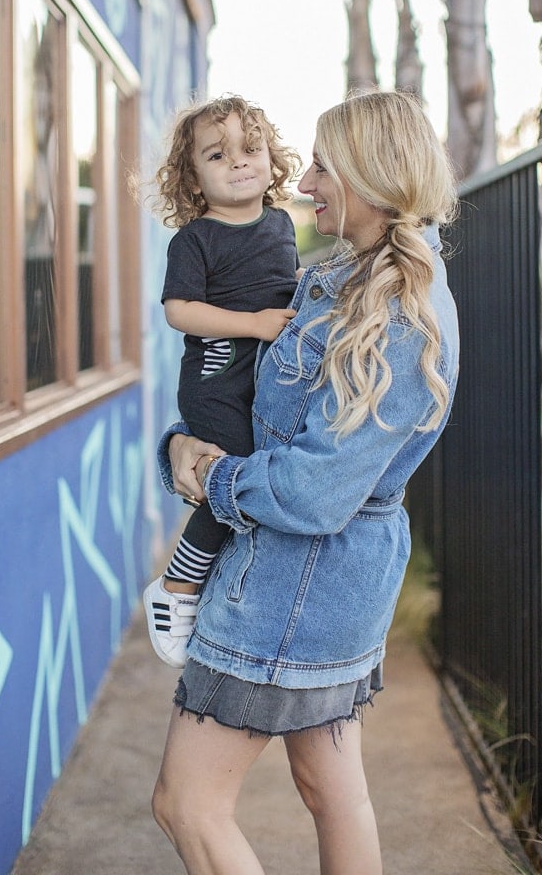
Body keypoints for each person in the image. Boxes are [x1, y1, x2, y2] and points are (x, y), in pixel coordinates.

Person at [150, 90, 460, 875]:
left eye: (322, 165)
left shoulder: (397, 316)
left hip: (291, 594)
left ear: (368, 174)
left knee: (187, 803)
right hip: (329, 591)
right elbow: (255, 408)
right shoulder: (338, 279)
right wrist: (188, 443)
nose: (305, 181)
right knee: (333, 794)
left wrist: (213, 480)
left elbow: (314, 492)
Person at [143, 94, 302, 667]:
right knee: (229, 474)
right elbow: (179, 310)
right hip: (216, 379)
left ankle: (215, 584)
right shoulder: (195, 240)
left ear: (270, 157)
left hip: (264, 378)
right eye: (217, 155)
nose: (239, 163)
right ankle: (177, 587)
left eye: (250, 148)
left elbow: (285, 287)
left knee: (254, 472)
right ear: (192, 177)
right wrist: (253, 326)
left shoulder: (282, 223)